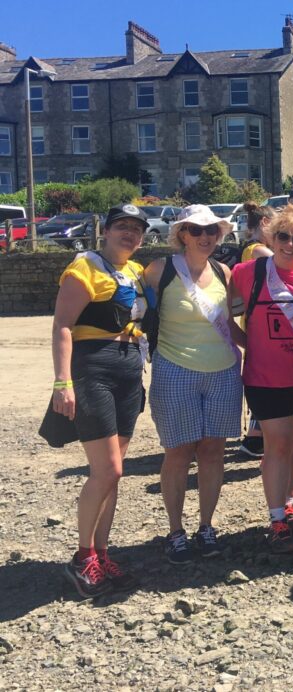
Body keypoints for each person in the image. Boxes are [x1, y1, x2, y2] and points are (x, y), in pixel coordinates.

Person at [48, 204, 149, 598]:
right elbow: (61, 326)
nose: (130, 234)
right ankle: (82, 557)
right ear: (104, 231)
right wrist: (62, 382)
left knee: (116, 471)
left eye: (137, 229)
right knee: (106, 470)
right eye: (121, 226)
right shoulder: (83, 269)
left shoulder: (136, 272)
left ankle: (101, 554)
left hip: (128, 370)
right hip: (93, 369)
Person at [144, 205, 243, 564]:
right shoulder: (159, 271)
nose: (206, 237)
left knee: (213, 451)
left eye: (212, 231)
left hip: (223, 371)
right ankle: (175, 531)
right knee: (179, 452)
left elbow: (228, 323)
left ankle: (206, 526)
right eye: (197, 230)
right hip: (175, 370)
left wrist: (257, 348)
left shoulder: (224, 272)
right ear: (182, 233)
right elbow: (135, 310)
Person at [231, 205, 293, 553]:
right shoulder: (248, 272)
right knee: (279, 444)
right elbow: (221, 312)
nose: (290, 244)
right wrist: (246, 344)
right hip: (265, 377)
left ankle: (289, 503)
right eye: (283, 237)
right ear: (272, 238)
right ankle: (276, 519)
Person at [236, 203, 275, 459]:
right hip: (260, 321)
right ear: (264, 224)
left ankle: (259, 436)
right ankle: (255, 438)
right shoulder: (257, 250)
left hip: (262, 319)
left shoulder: (256, 248)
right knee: (268, 378)